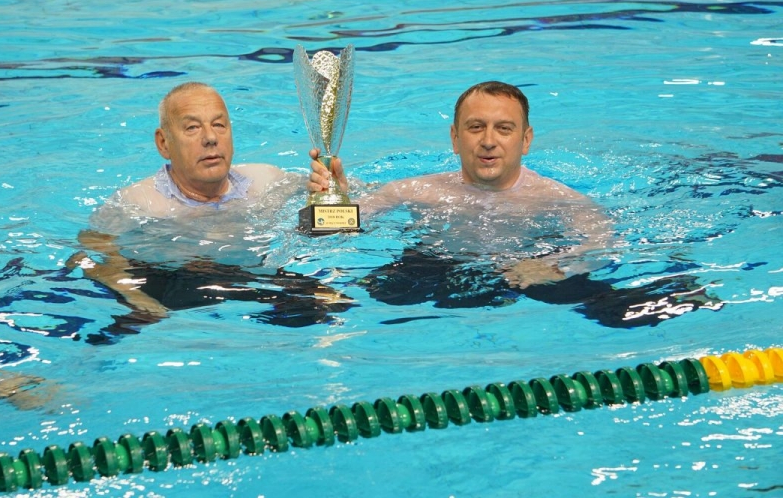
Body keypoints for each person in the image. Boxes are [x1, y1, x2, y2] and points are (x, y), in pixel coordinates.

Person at [307, 81, 718, 327]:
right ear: (455, 138)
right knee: (348, 300)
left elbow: (602, 243)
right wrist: (328, 202)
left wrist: (558, 264)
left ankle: (683, 294)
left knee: (611, 310)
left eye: (504, 129)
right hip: (431, 265)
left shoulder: (558, 199)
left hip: (524, 270)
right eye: (476, 127)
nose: (489, 141)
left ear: (525, 140)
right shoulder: (413, 190)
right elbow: (330, 231)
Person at [71, 81, 352, 339]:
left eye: (219, 125)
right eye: (192, 128)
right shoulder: (138, 203)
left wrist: (337, 194)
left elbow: (352, 213)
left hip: (257, 280)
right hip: (173, 287)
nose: (210, 138)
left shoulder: (268, 182)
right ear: (164, 143)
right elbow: (86, 255)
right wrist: (137, 297)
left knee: (339, 304)